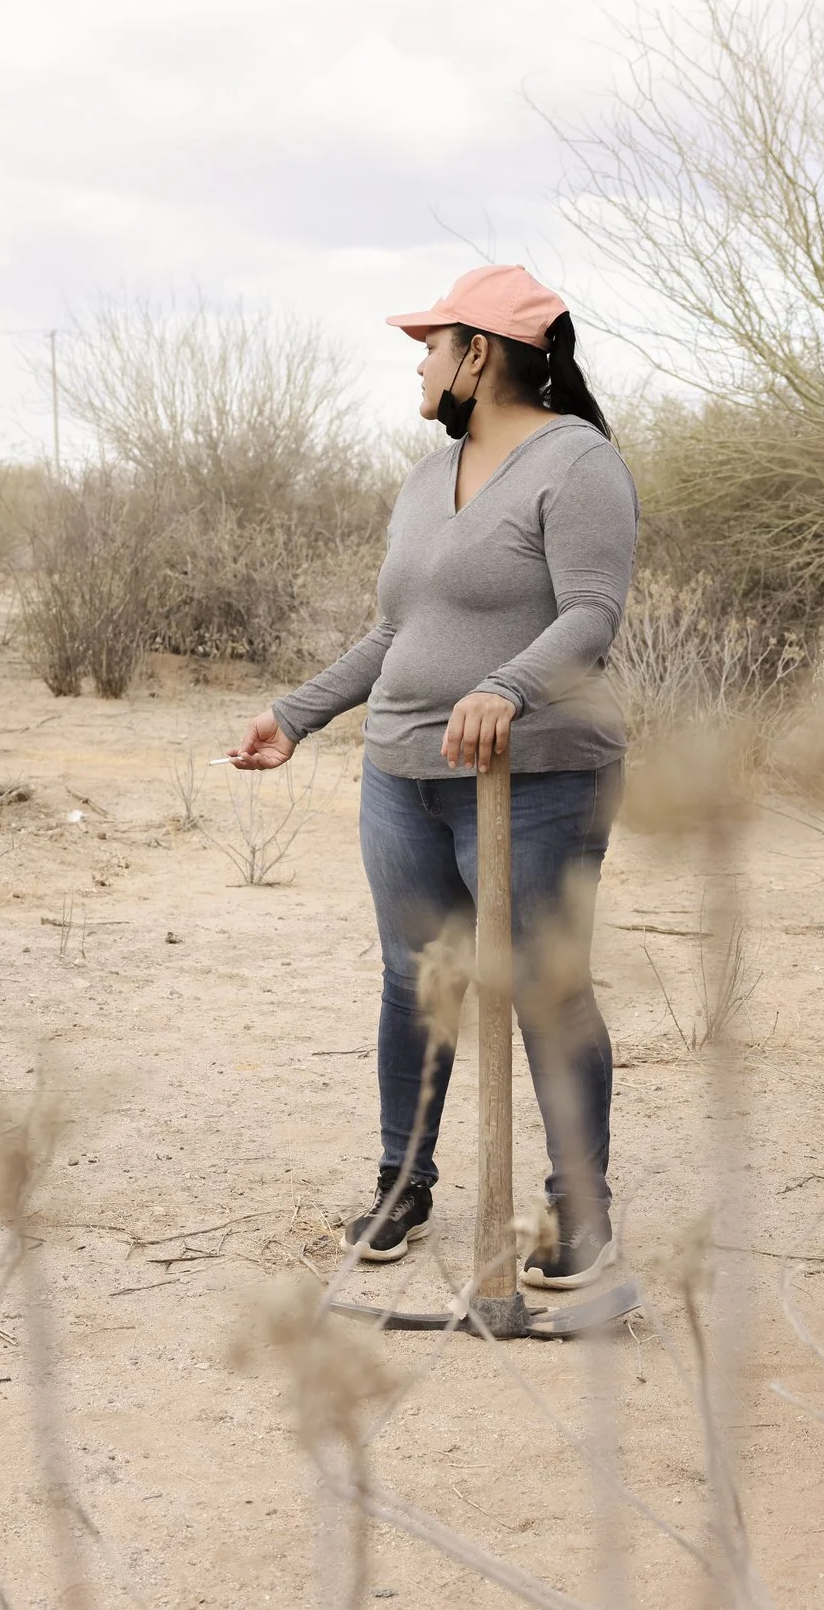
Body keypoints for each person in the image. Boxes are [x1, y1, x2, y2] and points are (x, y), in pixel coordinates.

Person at [229, 265, 638, 1289]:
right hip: (400, 772)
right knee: (418, 978)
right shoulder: (426, 476)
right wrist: (297, 713)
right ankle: (402, 1181)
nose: (419, 360)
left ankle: (578, 1206)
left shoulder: (577, 463)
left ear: (480, 354)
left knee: (545, 984)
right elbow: (396, 631)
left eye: (431, 343)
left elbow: (590, 611)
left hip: (536, 773)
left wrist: (506, 686)